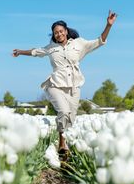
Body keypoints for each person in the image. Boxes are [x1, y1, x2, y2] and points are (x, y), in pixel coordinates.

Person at [12, 10, 117, 159]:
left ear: (66, 31)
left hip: (74, 86)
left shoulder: (79, 43)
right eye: (56, 33)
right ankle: (61, 141)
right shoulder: (51, 48)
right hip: (55, 85)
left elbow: (99, 41)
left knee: (71, 118)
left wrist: (108, 25)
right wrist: (20, 52)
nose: (59, 34)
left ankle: (64, 142)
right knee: (63, 111)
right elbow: (35, 52)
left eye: (61, 31)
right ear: (53, 35)